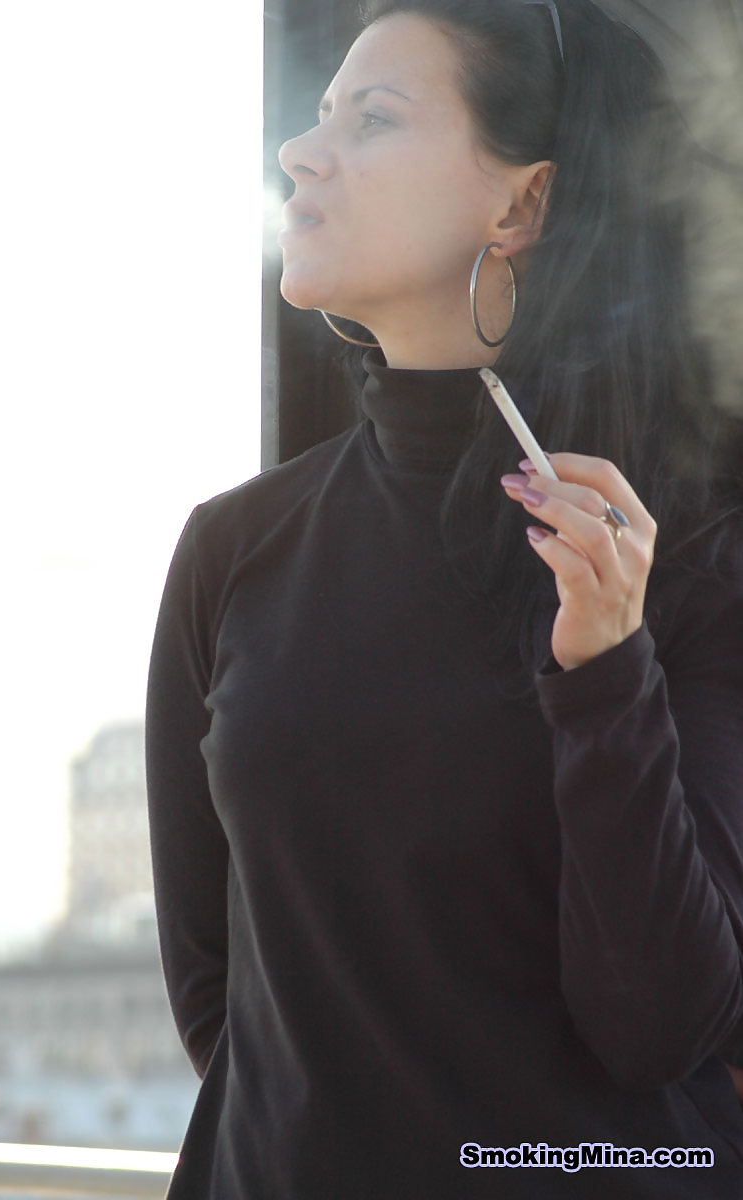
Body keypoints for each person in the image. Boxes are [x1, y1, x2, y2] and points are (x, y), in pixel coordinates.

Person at [144, 0, 743, 1195]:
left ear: (521, 205)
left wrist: (608, 674)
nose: (300, 151)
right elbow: (226, 1004)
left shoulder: (692, 563)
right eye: (318, 115)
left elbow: (662, 1026)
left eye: (371, 119)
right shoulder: (233, 550)